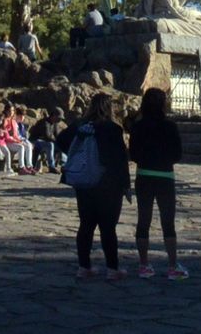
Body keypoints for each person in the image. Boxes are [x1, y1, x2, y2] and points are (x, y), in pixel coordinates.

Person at [56, 92, 131, 280]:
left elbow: (61, 140)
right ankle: (112, 269)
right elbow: (121, 159)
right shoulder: (113, 129)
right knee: (108, 227)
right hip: (108, 183)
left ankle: (84, 266)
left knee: (86, 225)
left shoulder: (81, 126)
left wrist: (80, 154)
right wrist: (126, 185)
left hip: (84, 181)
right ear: (109, 108)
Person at [127, 88, 186, 280]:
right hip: (165, 176)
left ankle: (144, 264)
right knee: (168, 221)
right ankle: (172, 265)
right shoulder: (170, 126)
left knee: (143, 220)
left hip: (144, 175)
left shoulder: (138, 126)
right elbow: (177, 154)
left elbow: (133, 153)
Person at [30, 108, 67, 173]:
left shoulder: (55, 124)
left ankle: (64, 164)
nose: (60, 120)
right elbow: (47, 136)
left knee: (62, 145)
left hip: (43, 142)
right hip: (34, 141)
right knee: (50, 144)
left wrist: (61, 142)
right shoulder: (44, 122)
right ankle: (51, 166)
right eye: (59, 118)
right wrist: (56, 141)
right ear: (53, 116)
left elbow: (57, 135)